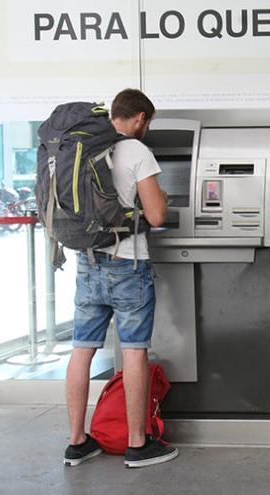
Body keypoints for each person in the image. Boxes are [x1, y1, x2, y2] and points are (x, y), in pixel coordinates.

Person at [64, 89, 178, 468]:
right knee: (133, 350)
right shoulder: (135, 150)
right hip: (127, 265)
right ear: (141, 118)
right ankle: (137, 443)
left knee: (82, 349)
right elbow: (158, 215)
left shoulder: (84, 148)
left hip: (88, 261)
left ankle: (78, 441)